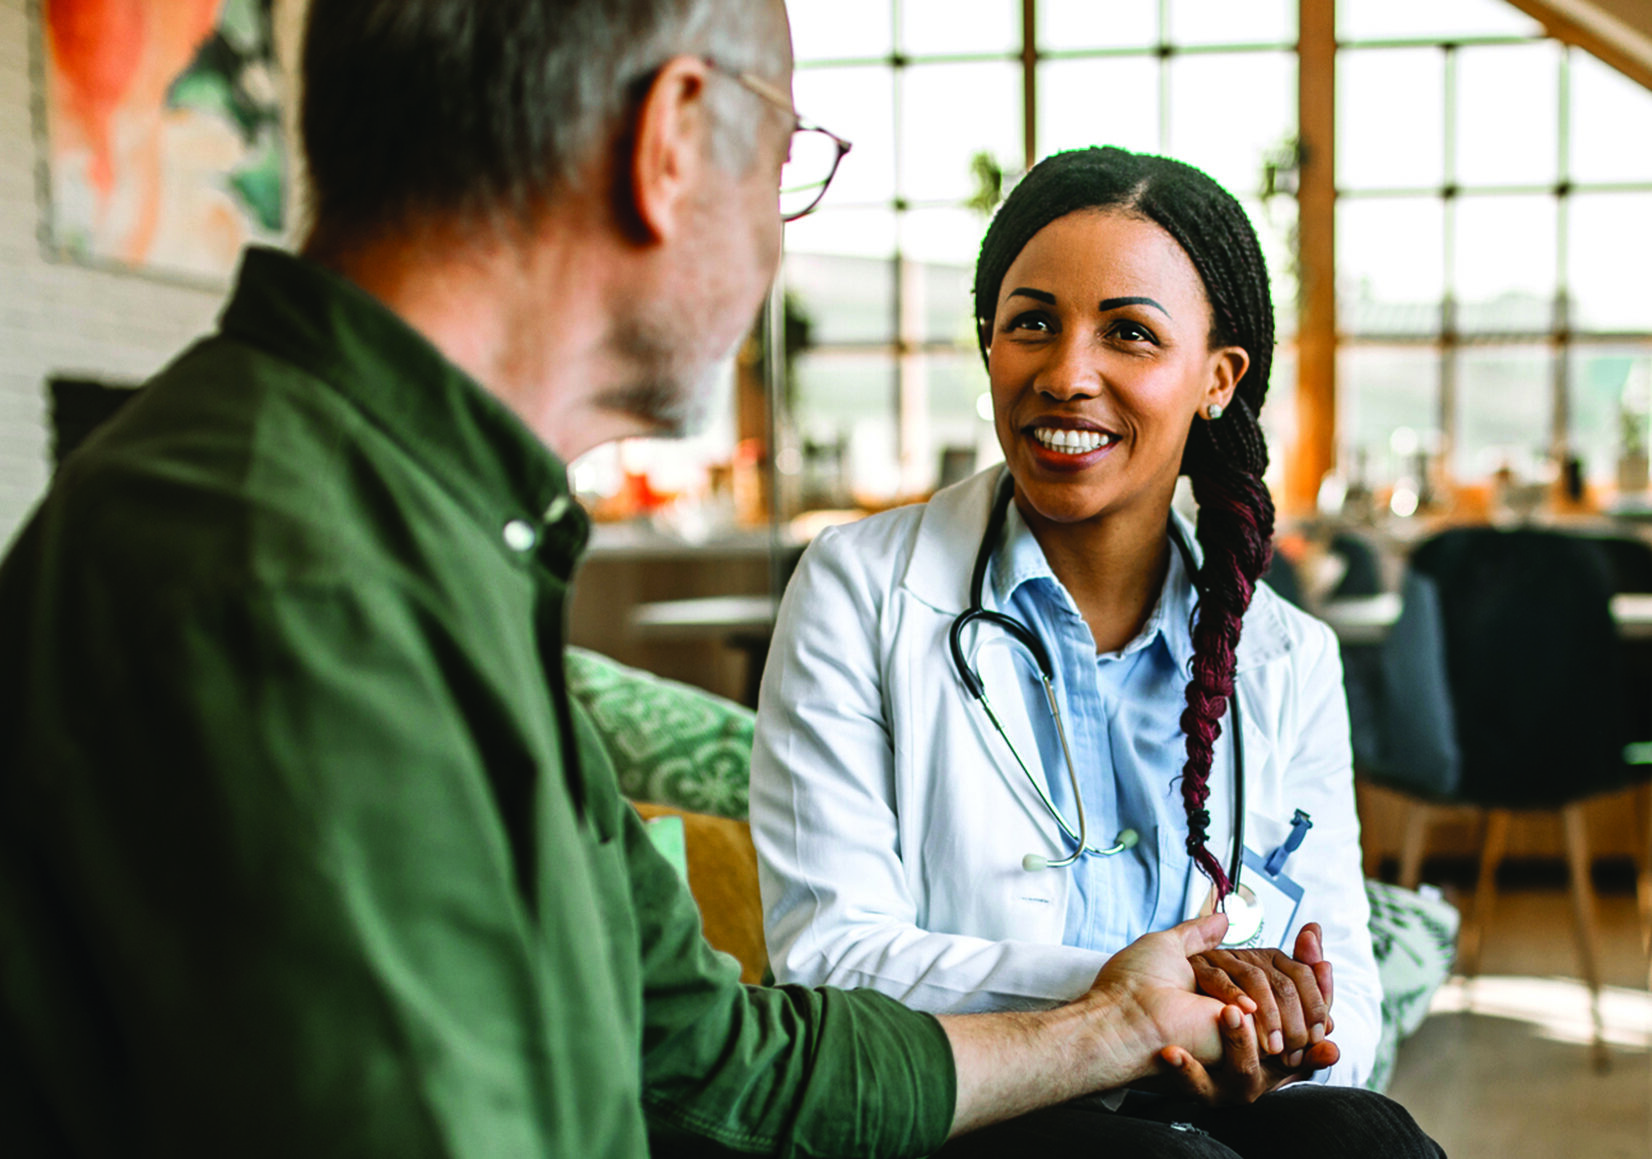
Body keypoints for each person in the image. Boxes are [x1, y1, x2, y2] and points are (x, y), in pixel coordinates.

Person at [0, 7, 1297, 1156]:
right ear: (672, 136)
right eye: (787, 158)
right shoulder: (285, 570)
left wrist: (1108, 1023)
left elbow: (704, 1053)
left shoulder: (433, 540)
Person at [751, 146, 1443, 1156]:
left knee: (1363, 1136)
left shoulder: (1285, 655)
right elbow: (829, 959)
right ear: (988, 343)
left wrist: (1277, 1025)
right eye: (1031, 322)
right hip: (971, 1095)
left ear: (1217, 377)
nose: (1066, 374)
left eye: (1127, 332)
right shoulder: (857, 588)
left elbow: (1347, 1002)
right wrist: (1117, 995)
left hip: (1206, 1091)